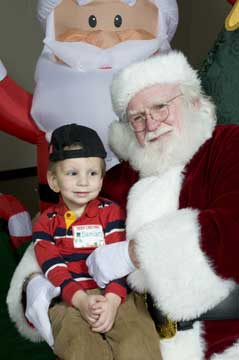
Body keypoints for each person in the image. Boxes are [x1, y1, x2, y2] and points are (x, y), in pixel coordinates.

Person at [85, 51, 239, 359]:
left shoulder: (228, 144)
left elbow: (232, 229)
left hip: (226, 342)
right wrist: (39, 286)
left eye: (160, 107)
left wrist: (133, 253)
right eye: (137, 118)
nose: (151, 123)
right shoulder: (118, 179)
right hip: (141, 345)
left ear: (192, 102)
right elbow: (67, 229)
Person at [32, 123, 162, 360]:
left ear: (102, 178)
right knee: (77, 343)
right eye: (72, 173)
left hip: (117, 293)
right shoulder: (45, 223)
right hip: (71, 297)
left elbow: (121, 260)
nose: (84, 182)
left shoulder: (112, 212)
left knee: (138, 339)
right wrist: (81, 300)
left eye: (92, 173)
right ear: (53, 181)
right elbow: (54, 269)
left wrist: (112, 300)